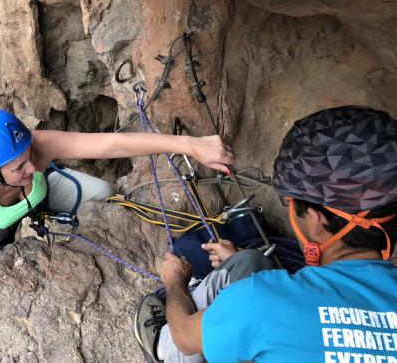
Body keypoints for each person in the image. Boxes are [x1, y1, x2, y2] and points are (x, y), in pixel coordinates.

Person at [0, 108, 235, 321]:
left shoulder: (35, 150)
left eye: (30, 158)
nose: (31, 167)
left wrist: (190, 145)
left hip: (40, 199)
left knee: (104, 194)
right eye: (19, 166)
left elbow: (110, 143)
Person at [135, 105, 397, 363]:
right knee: (251, 262)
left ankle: (158, 344)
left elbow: (185, 337)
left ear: (318, 221)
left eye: (291, 204)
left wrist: (175, 283)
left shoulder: (259, 302)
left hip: (206, 325)